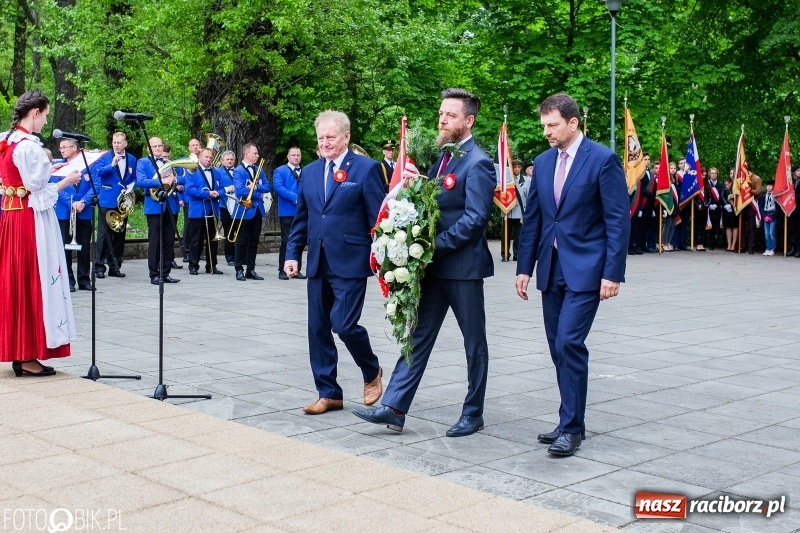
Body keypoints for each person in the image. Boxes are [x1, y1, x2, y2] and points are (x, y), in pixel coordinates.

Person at [352, 88, 496, 437]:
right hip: (433, 267)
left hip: (462, 269)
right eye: (441, 113)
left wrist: (432, 247)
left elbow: (475, 219)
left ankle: (473, 413)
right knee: (416, 338)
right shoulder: (442, 159)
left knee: (473, 342)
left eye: (450, 115)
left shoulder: (478, 162)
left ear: (469, 121)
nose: (442, 120)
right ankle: (394, 407)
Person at [514, 93, 629, 456]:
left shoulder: (602, 159)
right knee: (556, 347)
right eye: (543, 125)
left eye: (552, 125)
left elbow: (617, 219)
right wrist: (524, 267)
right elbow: (534, 219)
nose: (546, 132)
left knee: (568, 343)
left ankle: (573, 428)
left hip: (588, 269)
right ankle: (568, 419)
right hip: (551, 268)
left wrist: (613, 273)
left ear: (573, 123)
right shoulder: (543, 162)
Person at [284, 110, 384, 415]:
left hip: (351, 260)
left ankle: (371, 369)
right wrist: (292, 253)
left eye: (330, 137)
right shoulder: (311, 172)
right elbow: (303, 217)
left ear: (346, 136)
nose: (325, 143)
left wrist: (385, 258)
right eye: (320, 138)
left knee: (343, 324)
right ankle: (328, 393)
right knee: (317, 329)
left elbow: (379, 219)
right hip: (318, 261)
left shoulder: (366, 169)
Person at [0, 90, 81, 376]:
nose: (46, 121)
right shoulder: (28, 147)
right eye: (45, 115)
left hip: (12, 218)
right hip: (28, 220)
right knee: (32, 279)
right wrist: (67, 181)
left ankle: (21, 351)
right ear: (34, 113)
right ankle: (26, 354)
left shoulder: (7, 140)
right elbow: (38, 193)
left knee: (17, 280)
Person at [136, 137, 181, 285]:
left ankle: (165, 272)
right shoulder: (143, 162)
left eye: (159, 145)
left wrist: (175, 180)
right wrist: (162, 181)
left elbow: (181, 179)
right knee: (155, 241)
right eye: (154, 146)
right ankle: (154, 274)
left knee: (169, 241)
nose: (157, 148)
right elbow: (141, 181)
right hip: (154, 205)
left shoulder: (168, 162)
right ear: (148, 148)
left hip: (170, 204)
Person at [93, 132, 137, 278]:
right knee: (104, 234)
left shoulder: (132, 159)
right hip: (107, 199)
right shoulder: (104, 157)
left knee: (119, 234)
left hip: (123, 202)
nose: (116, 145)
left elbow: (134, 177)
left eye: (119, 143)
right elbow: (98, 173)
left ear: (125, 143)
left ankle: (115, 266)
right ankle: (99, 267)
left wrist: (131, 186)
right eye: (114, 142)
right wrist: (111, 165)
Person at [52, 155, 94, 292]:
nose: (62, 150)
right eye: (61, 147)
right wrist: (71, 203)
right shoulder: (58, 167)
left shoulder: (88, 165)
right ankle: (68, 280)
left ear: (74, 148)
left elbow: (95, 186)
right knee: (65, 247)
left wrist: (83, 202)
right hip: (64, 212)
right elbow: (54, 187)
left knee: (84, 247)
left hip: (84, 210)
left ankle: (84, 280)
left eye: (65, 147)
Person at [231, 143, 271, 281]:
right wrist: (257, 193)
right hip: (244, 210)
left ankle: (250, 269)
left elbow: (267, 187)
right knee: (241, 241)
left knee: (254, 241)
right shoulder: (238, 170)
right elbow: (240, 191)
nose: (257, 155)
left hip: (257, 210)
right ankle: (239, 269)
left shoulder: (259, 169)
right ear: (246, 154)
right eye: (255, 153)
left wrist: (255, 187)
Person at [185, 148, 225, 275]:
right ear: (200, 157)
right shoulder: (192, 170)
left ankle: (212, 266)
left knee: (213, 240)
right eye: (206, 157)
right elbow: (189, 190)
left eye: (210, 157)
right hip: (197, 211)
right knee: (196, 240)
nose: (208, 159)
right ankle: (193, 265)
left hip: (213, 210)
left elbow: (222, 189)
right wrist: (207, 194)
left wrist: (218, 193)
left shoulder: (216, 172)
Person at [273, 147, 306, 280]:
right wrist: (296, 198)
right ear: (288, 156)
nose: (296, 157)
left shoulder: (305, 171)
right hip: (287, 211)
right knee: (286, 240)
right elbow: (278, 188)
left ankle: (296, 269)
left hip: (302, 211)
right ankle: (282, 269)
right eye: (293, 155)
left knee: (300, 241)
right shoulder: (280, 170)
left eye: (298, 155)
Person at [218, 150, 237, 265]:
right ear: (222, 161)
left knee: (240, 231)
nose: (230, 161)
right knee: (228, 231)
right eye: (227, 159)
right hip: (224, 205)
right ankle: (230, 257)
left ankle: (240, 256)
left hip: (238, 205)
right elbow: (216, 188)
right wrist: (227, 189)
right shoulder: (218, 172)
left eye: (231, 159)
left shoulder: (239, 171)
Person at [705, 167, 724, 250]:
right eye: (712, 173)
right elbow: (705, 196)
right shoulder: (706, 184)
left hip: (717, 208)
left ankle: (712, 244)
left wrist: (717, 204)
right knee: (707, 226)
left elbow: (722, 196)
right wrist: (709, 205)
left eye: (715, 173)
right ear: (709, 174)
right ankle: (705, 243)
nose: (714, 175)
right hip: (708, 208)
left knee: (715, 226)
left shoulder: (721, 184)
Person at [759, 180, 777, 256]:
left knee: (771, 232)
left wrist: (772, 216)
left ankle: (773, 248)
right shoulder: (763, 195)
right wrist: (764, 216)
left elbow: (778, 208)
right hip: (766, 215)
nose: (768, 187)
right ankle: (768, 248)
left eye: (770, 186)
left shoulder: (776, 195)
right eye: (767, 186)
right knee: (766, 233)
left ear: (773, 186)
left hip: (772, 215)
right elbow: (760, 206)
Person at [722, 174, 739, 251]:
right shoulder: (726, 183)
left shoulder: (738, 183)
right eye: (731, 173)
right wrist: (726, 204)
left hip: (736, 207)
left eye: (734, 173)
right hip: (727, 207)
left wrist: (734, 205)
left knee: (735, 226)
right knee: (728, 226)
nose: (732, 175)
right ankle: (729, 244)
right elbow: (722, 195)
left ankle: (733, 244)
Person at [787, 165, 800, 257]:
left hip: (799, 209)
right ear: (794, 172)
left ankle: (799, 249)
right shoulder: (791, 182)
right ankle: (792, 248)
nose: (799, 172)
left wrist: (794, 196)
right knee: (792, 229)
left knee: (799, 230)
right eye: (798, 170)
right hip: (791, 210)